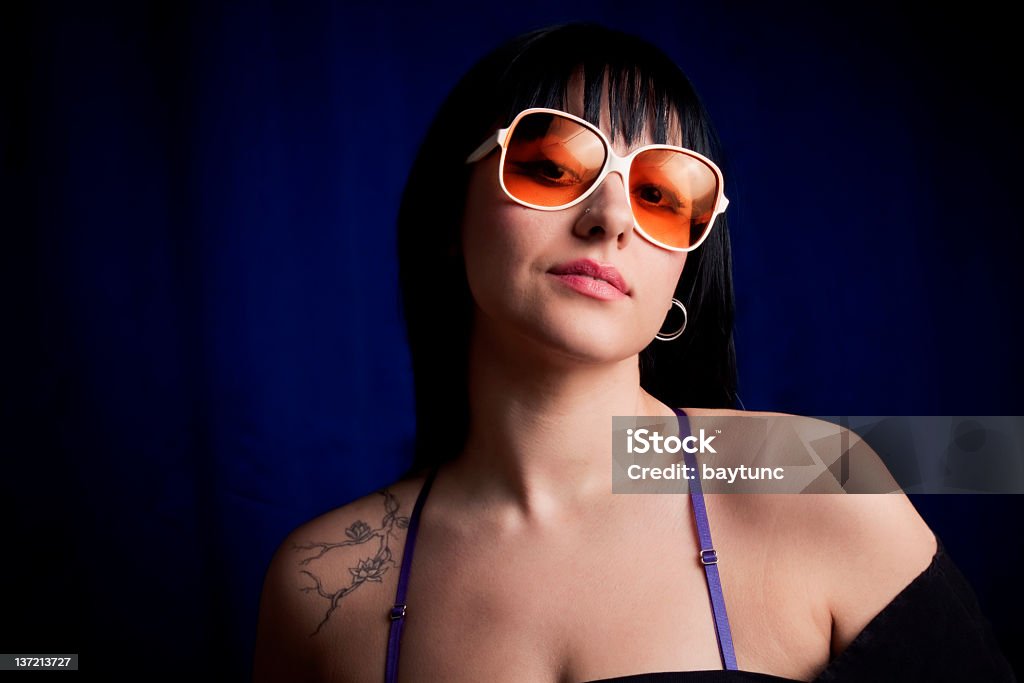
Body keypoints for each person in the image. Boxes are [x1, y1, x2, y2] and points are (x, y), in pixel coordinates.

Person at [253, 23, 1016, 682]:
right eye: (551, 167)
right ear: (451, 218)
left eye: (661, 195)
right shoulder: (325, 582)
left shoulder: (817, 476)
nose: (611, 218)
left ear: (684, 266)